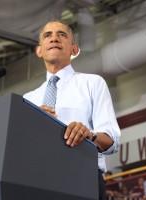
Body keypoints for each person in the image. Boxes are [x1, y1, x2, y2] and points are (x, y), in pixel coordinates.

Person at [23, 20, 121, 199]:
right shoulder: (28, 99)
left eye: (62, 35)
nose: (54, 39)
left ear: (74, 49)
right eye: (47, 35)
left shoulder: (92, 83)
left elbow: (111, 141)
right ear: (39, 50)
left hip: (81, 177)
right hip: (37, 180)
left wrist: (89, 136)